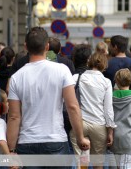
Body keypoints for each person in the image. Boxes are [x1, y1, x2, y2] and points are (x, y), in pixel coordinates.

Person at [6, 27, 90, 168]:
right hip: (56, 140)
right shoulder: (62, 70)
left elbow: (14, 117)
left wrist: (11, 150)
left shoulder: (16, 78)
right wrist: (80, 137)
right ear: (47, 46)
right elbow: (72, 107)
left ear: (26, 46)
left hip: (27, 142)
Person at [70, 52, 116, 169]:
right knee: (98, 163)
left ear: (89, 63)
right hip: (99, 125)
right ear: (104, 65)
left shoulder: (77, 78)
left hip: (80, 123)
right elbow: (108, 109)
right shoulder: (106, 82)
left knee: (80, 162)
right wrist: (110, 130)